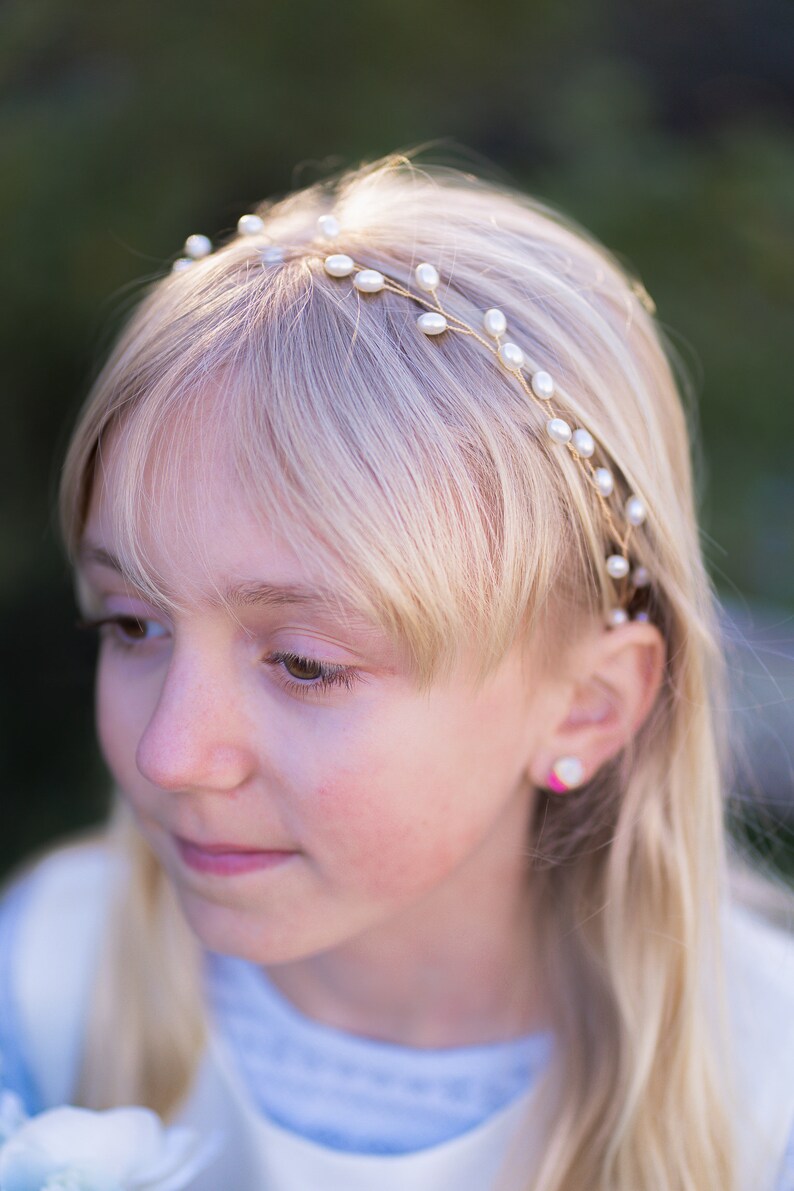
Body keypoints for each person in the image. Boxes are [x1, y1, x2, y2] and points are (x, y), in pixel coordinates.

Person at [1, 150, 792, 1191]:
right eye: (133, 626)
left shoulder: (757, 1093)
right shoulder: (50, 979)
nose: (172, 754)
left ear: (585, 709)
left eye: (304, 663)